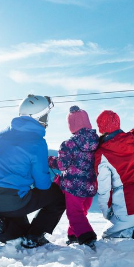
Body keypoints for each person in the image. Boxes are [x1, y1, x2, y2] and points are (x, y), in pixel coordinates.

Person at [0, 94, 66, 248]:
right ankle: (34, 237)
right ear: (39, 117)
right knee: (57, 196)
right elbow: (43, 185)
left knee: (19, 234)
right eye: (46, 116)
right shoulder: (37, 142)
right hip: (14, 199)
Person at [94, 110, 134, 239]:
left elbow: (104, 189)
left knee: (107, 236)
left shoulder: (102, 154)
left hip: (130, 207)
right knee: (127, 221)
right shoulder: (132, 139)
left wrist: (107, 213)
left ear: (101, 128)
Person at [48, 106, 99, 248]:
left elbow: (62, 165)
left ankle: (87, 237)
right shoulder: (97, 141)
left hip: (73, 186)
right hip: (90, 184)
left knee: (74, 212)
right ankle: (73, 234)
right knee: (82, 211)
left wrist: (50, 161)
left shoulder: (69, 144)